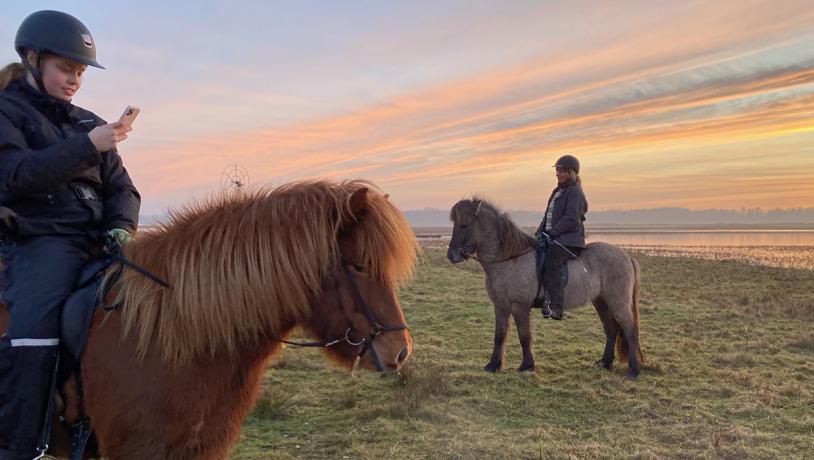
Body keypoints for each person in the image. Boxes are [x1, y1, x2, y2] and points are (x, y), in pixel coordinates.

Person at [0, 10, 140, 459]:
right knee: (33, 332)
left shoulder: (88, 120)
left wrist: (122, 225)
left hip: (102, 239)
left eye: (80, 71)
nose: (75, 79)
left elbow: (123, 188)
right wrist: (88, 146)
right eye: (66, 68)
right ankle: (19, 447)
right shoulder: (7, 111)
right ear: (32, 59)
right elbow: (14, 175)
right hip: (44, 240)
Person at [534, 155, 588, 320]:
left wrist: (553, 233)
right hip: (554, 237)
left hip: (569, 240)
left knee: (552, 260)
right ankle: (541, 295)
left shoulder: (575, 192)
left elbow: (571, 219)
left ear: (570, 173)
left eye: (561, 171)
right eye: (557, 170)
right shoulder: (557, 191)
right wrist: (539, 232)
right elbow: (548, 216)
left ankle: (556, 307)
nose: (557, 173)